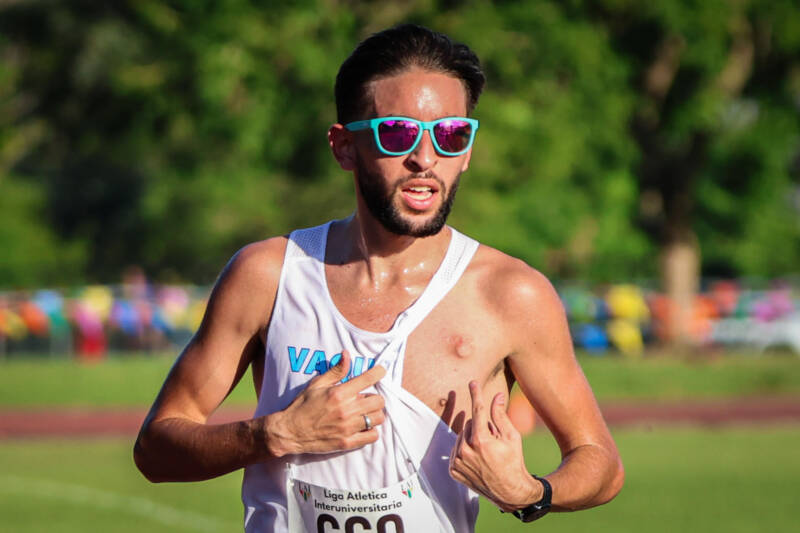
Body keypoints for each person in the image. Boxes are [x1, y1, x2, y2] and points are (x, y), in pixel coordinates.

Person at [134, 23, 624, 532]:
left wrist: (529, 493)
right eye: (397, 133)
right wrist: (273, 435)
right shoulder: (269, 274)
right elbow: (155, 448)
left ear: (469, 151)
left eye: (451, 134)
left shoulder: (510, 294)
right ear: (344, 147)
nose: (425, 158)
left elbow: (601, 464)